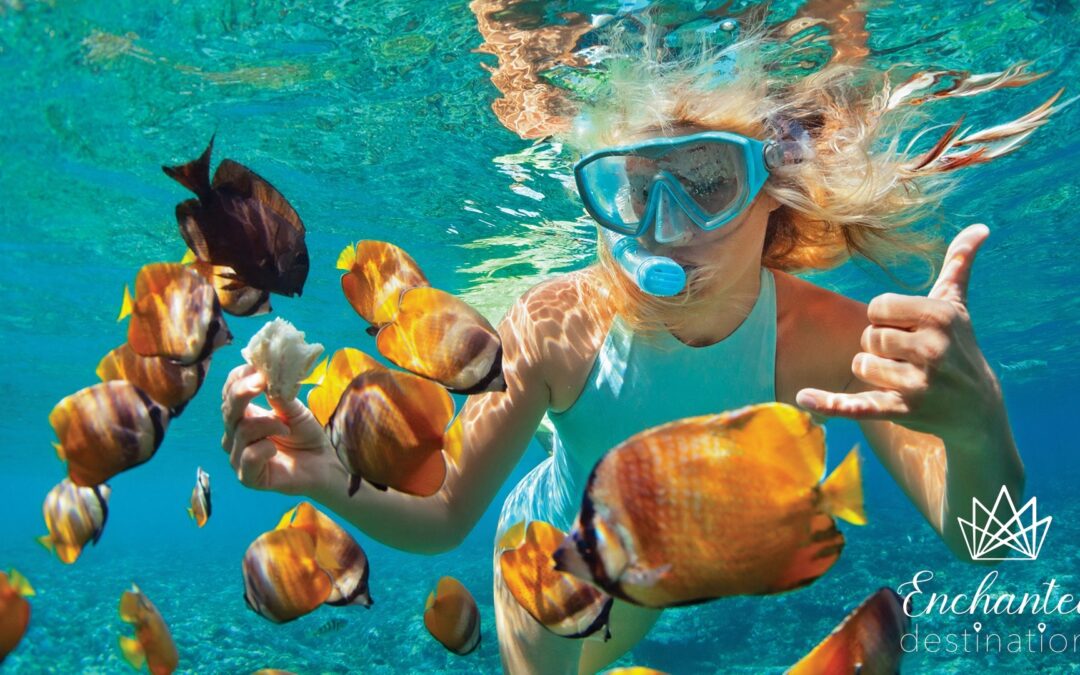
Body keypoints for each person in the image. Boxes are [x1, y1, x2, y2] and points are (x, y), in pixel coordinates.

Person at [221, 12, 1064, 674]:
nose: (664, 232)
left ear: (777, 193)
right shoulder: (558, 330)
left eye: (705, 183)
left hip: (658, 559)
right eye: (633, 187)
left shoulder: (823, 337)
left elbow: (991, 543)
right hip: (543, 563)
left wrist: (973, 421)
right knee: (546, 609)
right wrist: (332, 480)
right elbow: (445, 515)